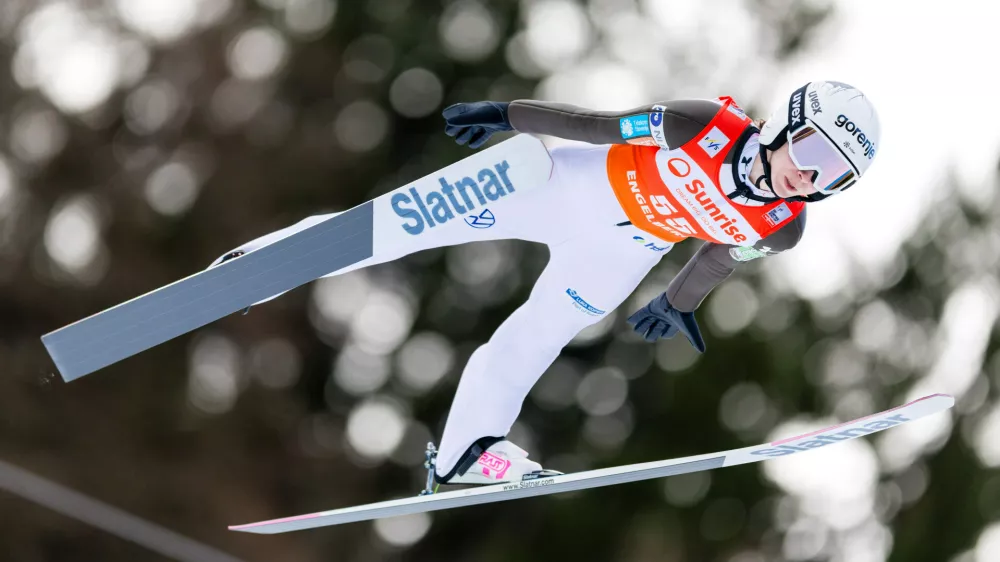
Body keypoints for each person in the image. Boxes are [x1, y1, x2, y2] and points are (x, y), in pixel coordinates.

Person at [213, 81, 881, 486]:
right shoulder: (700, 123)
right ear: (788, 125)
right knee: (407, 223)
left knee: (537, 338)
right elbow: (598, 126)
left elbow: (718, 255)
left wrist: (679, 304)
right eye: (815, 153)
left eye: (834, 176)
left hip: (620, 251)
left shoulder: (782, 226)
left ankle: (469, 449)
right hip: (561, 187)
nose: (811, 178)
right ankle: (273, 262)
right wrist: (511, 114)